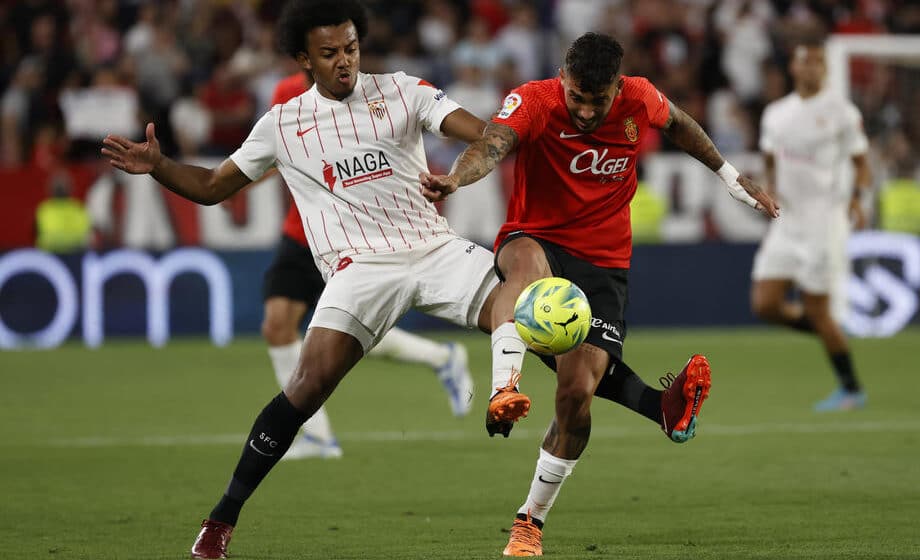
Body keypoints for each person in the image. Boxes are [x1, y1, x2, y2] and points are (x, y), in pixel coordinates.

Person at [102, 2, 501, 557]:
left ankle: (625, 399)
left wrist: (464, 168)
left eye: (351, 48)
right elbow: (213, 187)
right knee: (306, 385)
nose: (345, 61)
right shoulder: (283, 124)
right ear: (303, 60)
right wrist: (161, 166)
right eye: (329, 53)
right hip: (360, 269)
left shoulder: (403, 90)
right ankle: (220, 521)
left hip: (434, 248)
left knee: (537, 315)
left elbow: (486, 134)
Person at [421, 32, 779, 556]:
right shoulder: (535, 100)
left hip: (604, 263)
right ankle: (504, 387)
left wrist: (727, 174)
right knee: (523, 272)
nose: (586, 112)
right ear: (562, 79)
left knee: (576, 394)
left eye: (599, 100)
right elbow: (492, 145)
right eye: (577, 98)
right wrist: (456, 179)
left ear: (618, 88)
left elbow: (680, 123)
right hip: (535, 235)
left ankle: (532, 518)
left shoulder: (640, 97)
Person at [261, 71, 475, 460]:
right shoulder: (287, 92)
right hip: (304, 233)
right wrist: (238, 179)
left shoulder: (372, 90)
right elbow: (277, 152)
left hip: (356, 238)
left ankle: (442, 358)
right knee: (280, 327)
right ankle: (319, 436)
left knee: (346, 335)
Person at [750, 40, 871, 412]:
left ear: (825, 68)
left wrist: (857, 199)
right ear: (793, 67)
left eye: (818, 61)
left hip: (824, 220)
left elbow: (862, 164)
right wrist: (769, 189)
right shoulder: (776, 114)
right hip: (788, 220)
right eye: (806, 61)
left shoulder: (842, 112)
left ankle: (851, 388)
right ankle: (831, 332)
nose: (812, 67)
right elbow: (770, 159)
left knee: (817, 307)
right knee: (765, 303)